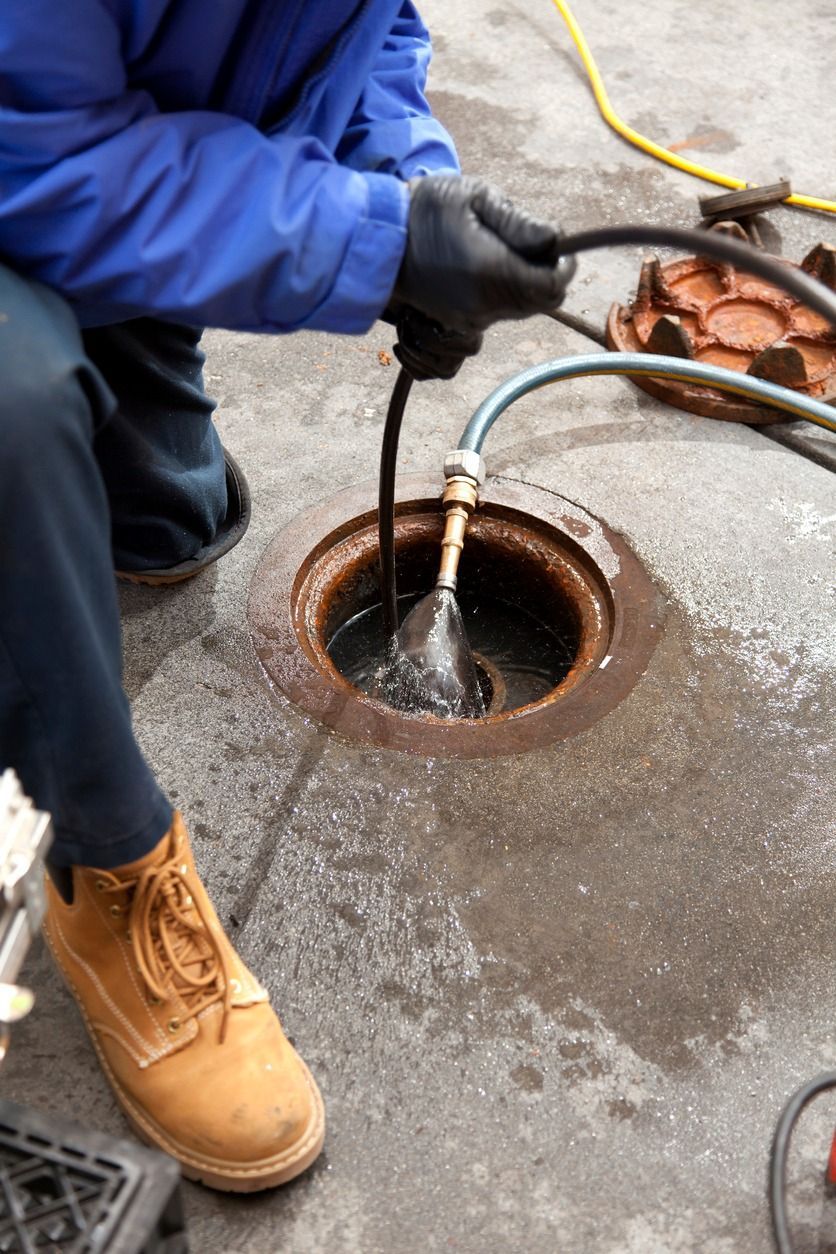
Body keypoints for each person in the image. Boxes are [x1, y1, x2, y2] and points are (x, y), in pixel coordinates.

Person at [0, 1, 573, 1191]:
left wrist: (413, 190)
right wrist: (370, 241)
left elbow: (365, 29)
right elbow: (36, 153)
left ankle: (79, 380)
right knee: (18, 417)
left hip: (54, 138)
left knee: (172, 522)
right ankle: (106, 867)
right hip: (24, 155)